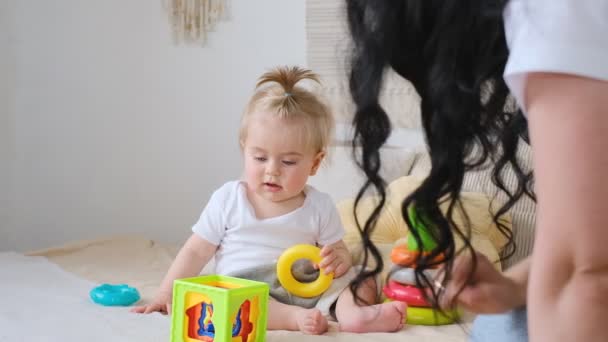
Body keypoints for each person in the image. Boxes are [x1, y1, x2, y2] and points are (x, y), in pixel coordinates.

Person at [343, 1, 608, 341]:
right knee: (502, 322)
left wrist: (560, 279)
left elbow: (585, 278)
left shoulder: (560, 12)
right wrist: (514, 287)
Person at [132, 66, 406, 334]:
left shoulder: (319, 205)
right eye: (260, 158)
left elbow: (337, 252)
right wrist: (165, 293)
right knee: (227, 300)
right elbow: (195, 251)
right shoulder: (229, 199)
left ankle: (352, 315)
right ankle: (293, 318)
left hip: (306, 283)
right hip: (246, 286)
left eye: (288, 161)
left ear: (315, 163)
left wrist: (338, 261)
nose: (272, 170)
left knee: (363, 277)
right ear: (244, 151)